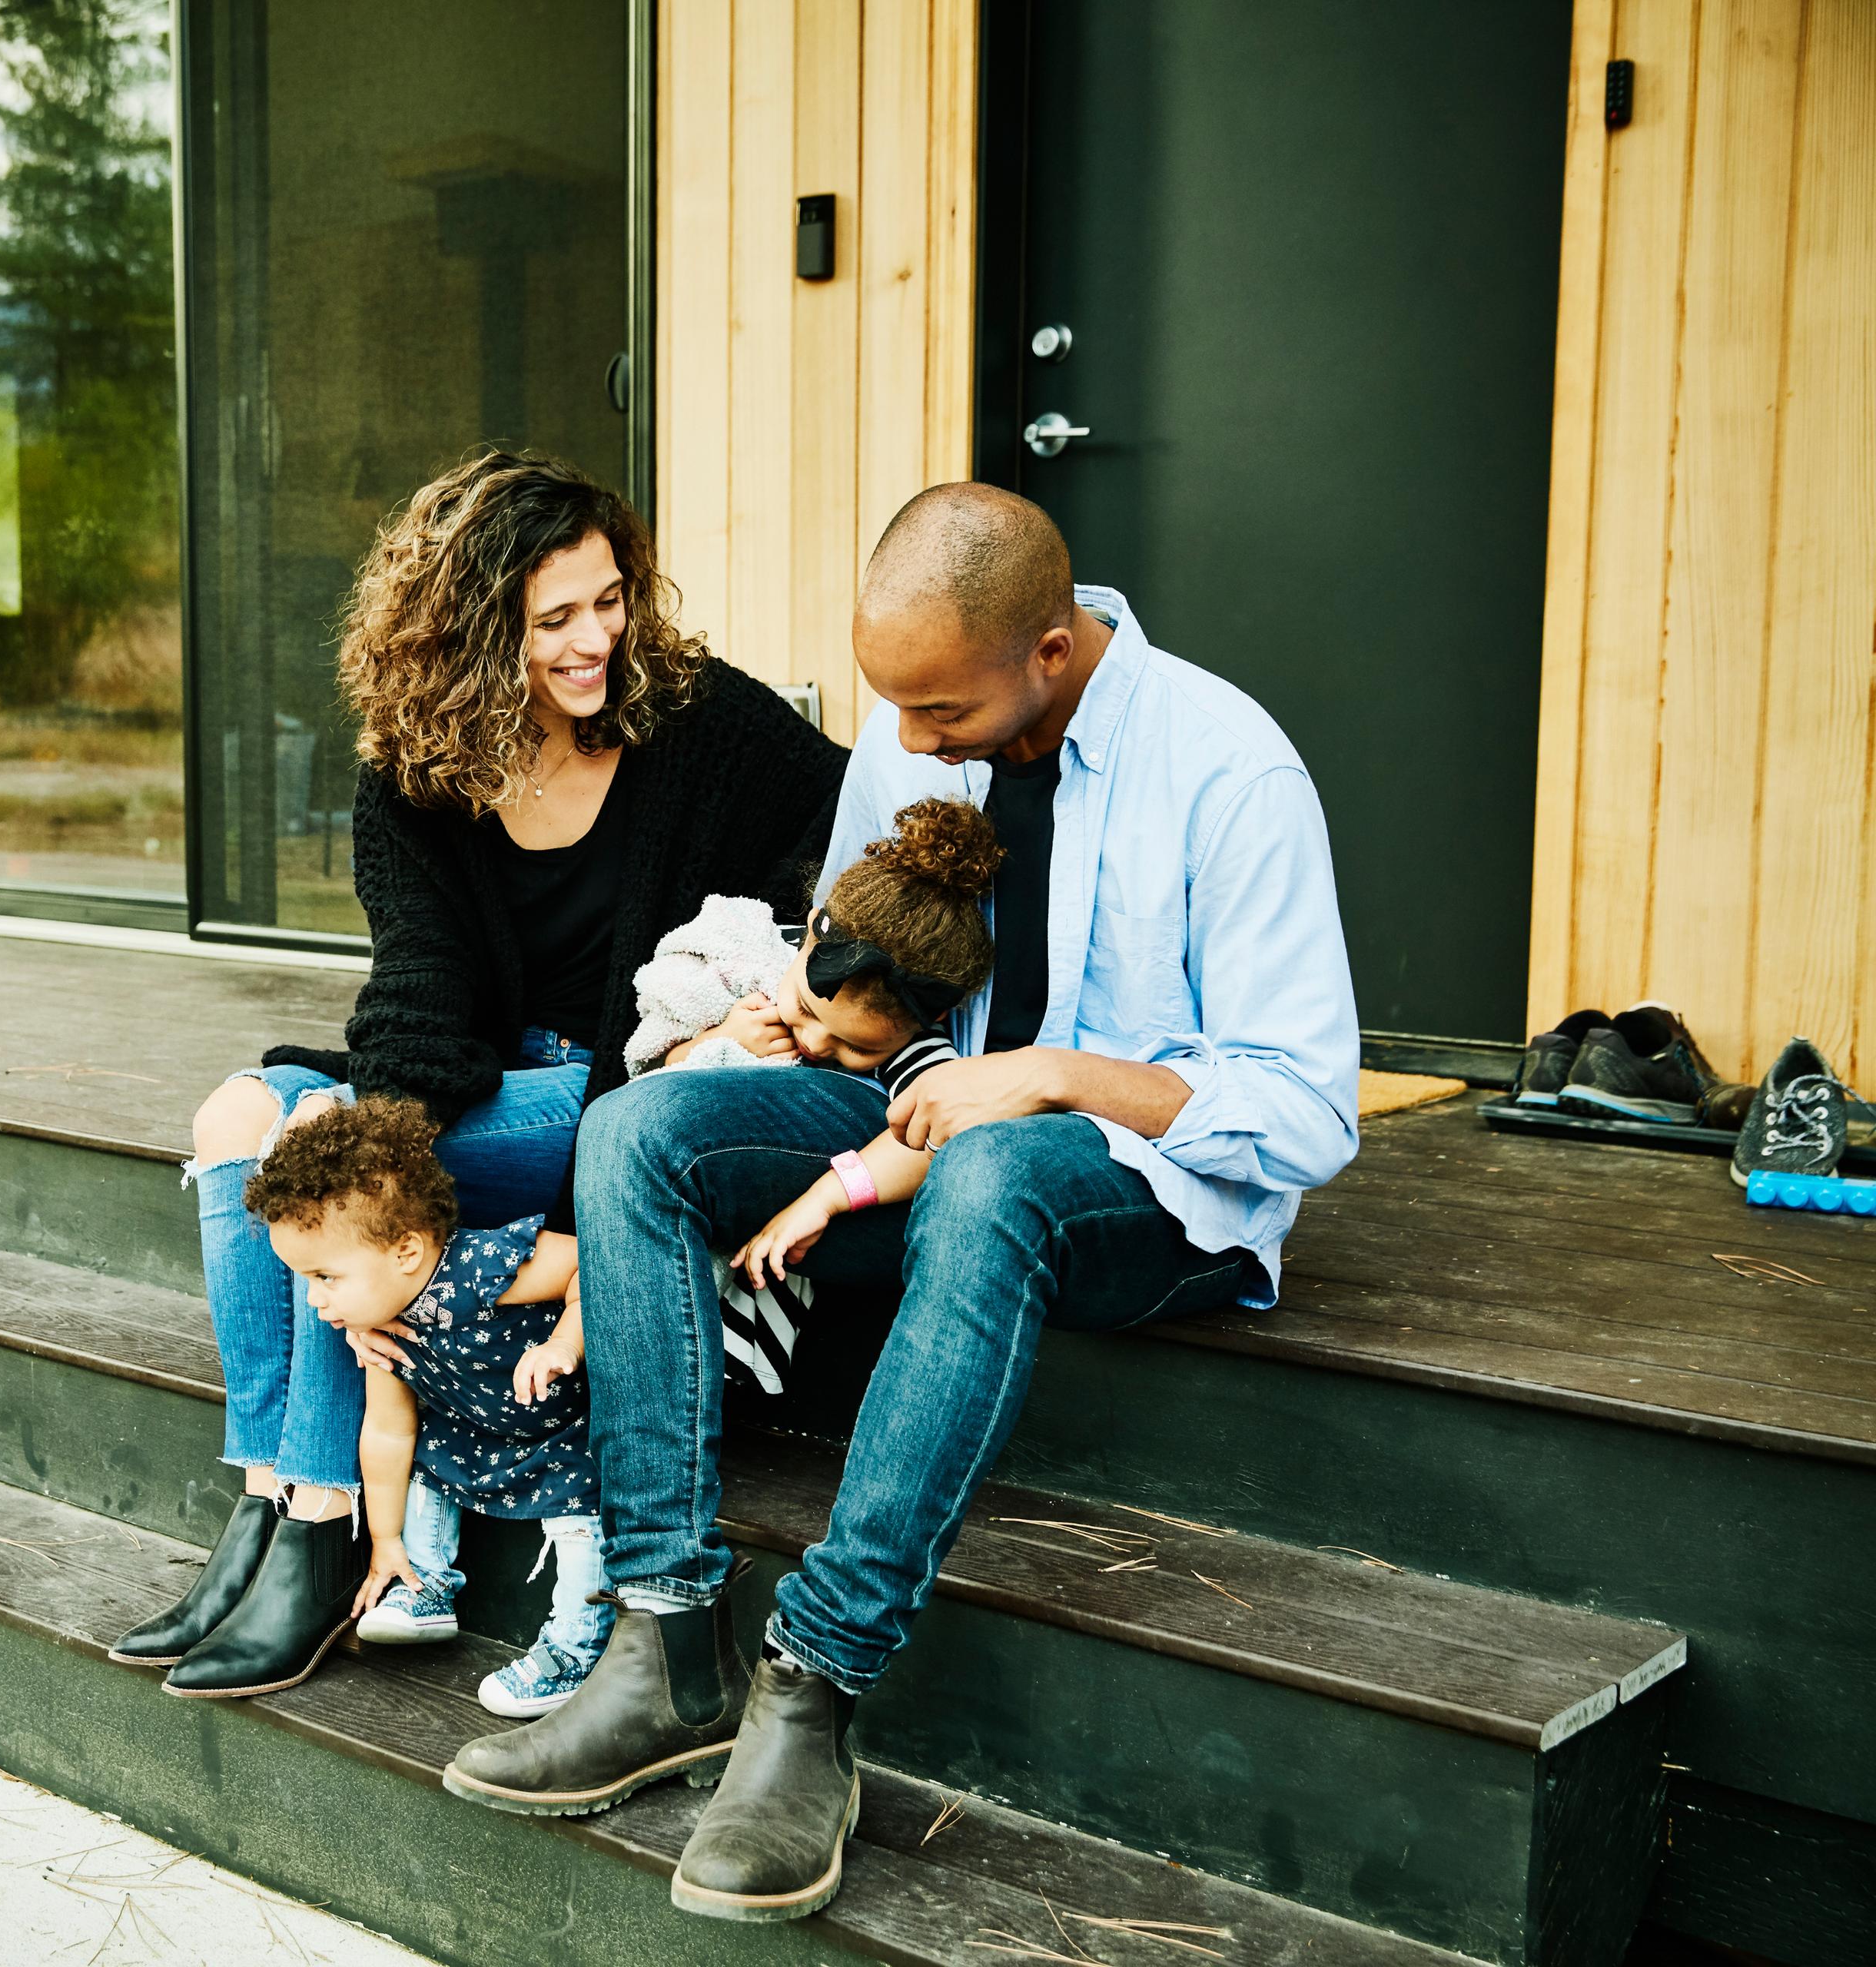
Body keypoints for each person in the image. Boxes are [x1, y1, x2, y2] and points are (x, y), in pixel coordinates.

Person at [442, 482, 1361, 1926]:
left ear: (1050, 653)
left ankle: (812, 1684)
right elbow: (870, 971)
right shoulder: (916, 717)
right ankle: (668, 1638)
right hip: (914, 1111)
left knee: (996, 1171)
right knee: (639, 1127)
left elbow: (1308, 1110)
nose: (912, 745)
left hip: (1147, 1187)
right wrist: (790, 1022)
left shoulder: (1231, 771)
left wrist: (1050, 1077)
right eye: (897, 709)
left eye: (937, 715)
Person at [111, 450, 848, 1700]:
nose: (595, 640)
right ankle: (269, 1494)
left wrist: (792, 995)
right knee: (244, 1118)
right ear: (463, 632)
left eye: (609, 600)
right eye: (552, 619)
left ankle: (322, 1528)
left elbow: (851, 835)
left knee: (335, 1163)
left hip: (627, 1094)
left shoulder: (698, 720)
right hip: (488, 1073)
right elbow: (421, 994)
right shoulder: (415, 772)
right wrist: (368, 1129)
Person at [236, 1096, 605, 1713]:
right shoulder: (384, 1323)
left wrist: (564, 1343)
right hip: (472, 1430)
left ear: (405, 1252)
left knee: (580, 1521)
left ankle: (576, 1644)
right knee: (429, 1463)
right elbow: (387, 1431)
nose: (312, 1300)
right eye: (306, 1280)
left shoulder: (483, 1268)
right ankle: (424, 1583)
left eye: (325, 1277)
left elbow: (596, 1267)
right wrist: (385, 1540)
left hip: (562, 1426)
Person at [622, 798, 1003, 1394]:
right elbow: (651, 1067)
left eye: (857, 1048)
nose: (817, 1042)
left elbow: (935, 1136)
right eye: (805, 1007)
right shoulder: (752, 961)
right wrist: (717, 1038)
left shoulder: (919, 1050)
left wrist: (829, 1195)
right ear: (809, 933)